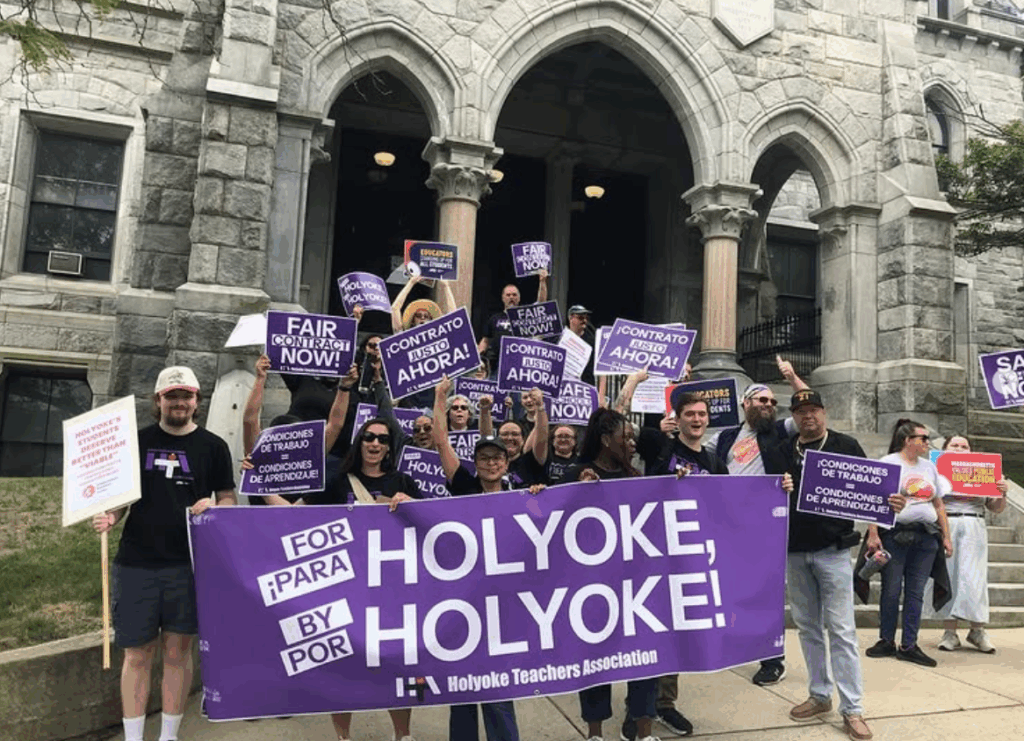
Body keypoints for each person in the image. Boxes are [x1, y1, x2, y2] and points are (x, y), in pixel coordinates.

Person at [92, 366, 236, 741]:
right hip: (136, 562)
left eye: (186, 396)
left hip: (189, 566)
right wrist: (110, 515)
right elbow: (121, 499)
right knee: (137, 655)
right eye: (171, 396)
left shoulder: (214, 447)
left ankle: (169, 735)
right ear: (158, 401)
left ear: (196, 402)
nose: (179, 402)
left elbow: (228, 498)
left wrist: (217, 509)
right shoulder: (134, 442)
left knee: (178, 653)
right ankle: (134, 737)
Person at [266, 417, 419, 741]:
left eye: (381, 438)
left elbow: (435, 528)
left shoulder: (403, 481)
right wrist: (260, 484)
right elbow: (294, 515)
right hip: (345, 587)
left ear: (390, 446)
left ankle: (403, 735)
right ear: (359, 442)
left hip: (391, 590)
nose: (375, 444)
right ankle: (343, 737)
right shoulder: (336, 483)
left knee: (396, 664)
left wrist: (413, 505)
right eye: (368, 437)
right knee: (342, 665)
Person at [763, 389, 877, 741]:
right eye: (801, 412)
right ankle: (819, 694)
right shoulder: (781, 452)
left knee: (841, 630)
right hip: (794, 551)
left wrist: (875, 528)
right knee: (809, 627)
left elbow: (869, 492)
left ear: (824, 413)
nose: (808, 416)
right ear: (794, 418)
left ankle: (853, 708)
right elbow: (764, 497)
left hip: (832, 550)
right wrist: (777, 488)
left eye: (814, 410)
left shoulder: (846, 446)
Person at [432, 377, 533, 741]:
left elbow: (546, 524)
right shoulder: (463, 487)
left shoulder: (519, 495)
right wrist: (441, 398)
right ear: (475, 464)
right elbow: (442, 441)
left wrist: (538, 497)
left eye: (497, 458)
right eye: (484, 459)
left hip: (501, 609)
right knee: (462, 688)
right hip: (463, 602)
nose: (491, 463)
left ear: (507, 462)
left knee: (496, 686)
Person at [705, 357, 807, 686]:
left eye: (772, 402)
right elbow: (688, 447)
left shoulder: (780, 431)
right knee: (728, 588)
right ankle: (735, 644)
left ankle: (772, 660)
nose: (768, 405)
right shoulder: (723, 438)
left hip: (765, 525)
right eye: (762, 400)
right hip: (726, 524)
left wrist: (791, 377)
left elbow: (808, 408)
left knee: (766, 593)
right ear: (745, 403)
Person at [559, 408, 658, 741]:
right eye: (624, 437)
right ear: (604, 440)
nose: (631, 442)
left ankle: (643, 732)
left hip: (635, 588)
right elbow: (538, 517)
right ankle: (596, 734)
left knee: (647, 659)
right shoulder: (576, 474)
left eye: (631, 437)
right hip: (593, 589)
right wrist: (571, 493)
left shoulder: (636, 478)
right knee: (596, 662)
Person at [864, 419, 953, 668]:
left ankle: (909, 645)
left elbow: (938, 504)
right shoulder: (889, 463)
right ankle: (886, 640)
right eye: (923, 438)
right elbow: (874, 501)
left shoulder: (929, 467)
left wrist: (946, 536)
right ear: (907, 440)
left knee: (915, 593)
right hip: (895, 536)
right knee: (891, 590)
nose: (927, 442)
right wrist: (873, 534)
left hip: (925, 537)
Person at [934, 434, 1008, 653]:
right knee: (949, 576)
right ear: (945, 448)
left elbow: (996, 507)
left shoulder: (985, 470)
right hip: (947, 524)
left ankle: (977, 630)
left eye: (964, 446)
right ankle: (950, 633)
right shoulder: (935, 469)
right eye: (954, 445)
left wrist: (1002, 492)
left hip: (974, 524)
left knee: (974, 578)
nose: (959, 449)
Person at [477, 271, 548, 374]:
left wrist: (542, 282)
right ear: (503, 298)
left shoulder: (525, 316)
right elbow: (485, 340)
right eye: (508, 295)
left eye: (514, 295)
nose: (511, 297)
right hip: (497, 367)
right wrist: (477, 357)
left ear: (519, 298)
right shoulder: (495, 318)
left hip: (520, 368)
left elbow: (541, 304)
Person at [483, 388, 549, 487]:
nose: (510, 438)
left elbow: (542, 439)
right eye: (505, 434)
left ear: (523, 439)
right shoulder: (491, 463)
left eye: (515, 434)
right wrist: (485, 410)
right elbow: (486, 437)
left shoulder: (531, 461)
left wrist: (540, 407)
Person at [390, 274, 456, 333]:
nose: (422, 318)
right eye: (418, 316)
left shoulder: (438, 336)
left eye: (426, 316)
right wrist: (411, 283)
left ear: (431, 320)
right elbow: (394, 308)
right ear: (413, 321)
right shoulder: (404, 335)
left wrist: (446, 286)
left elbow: (454, 319)